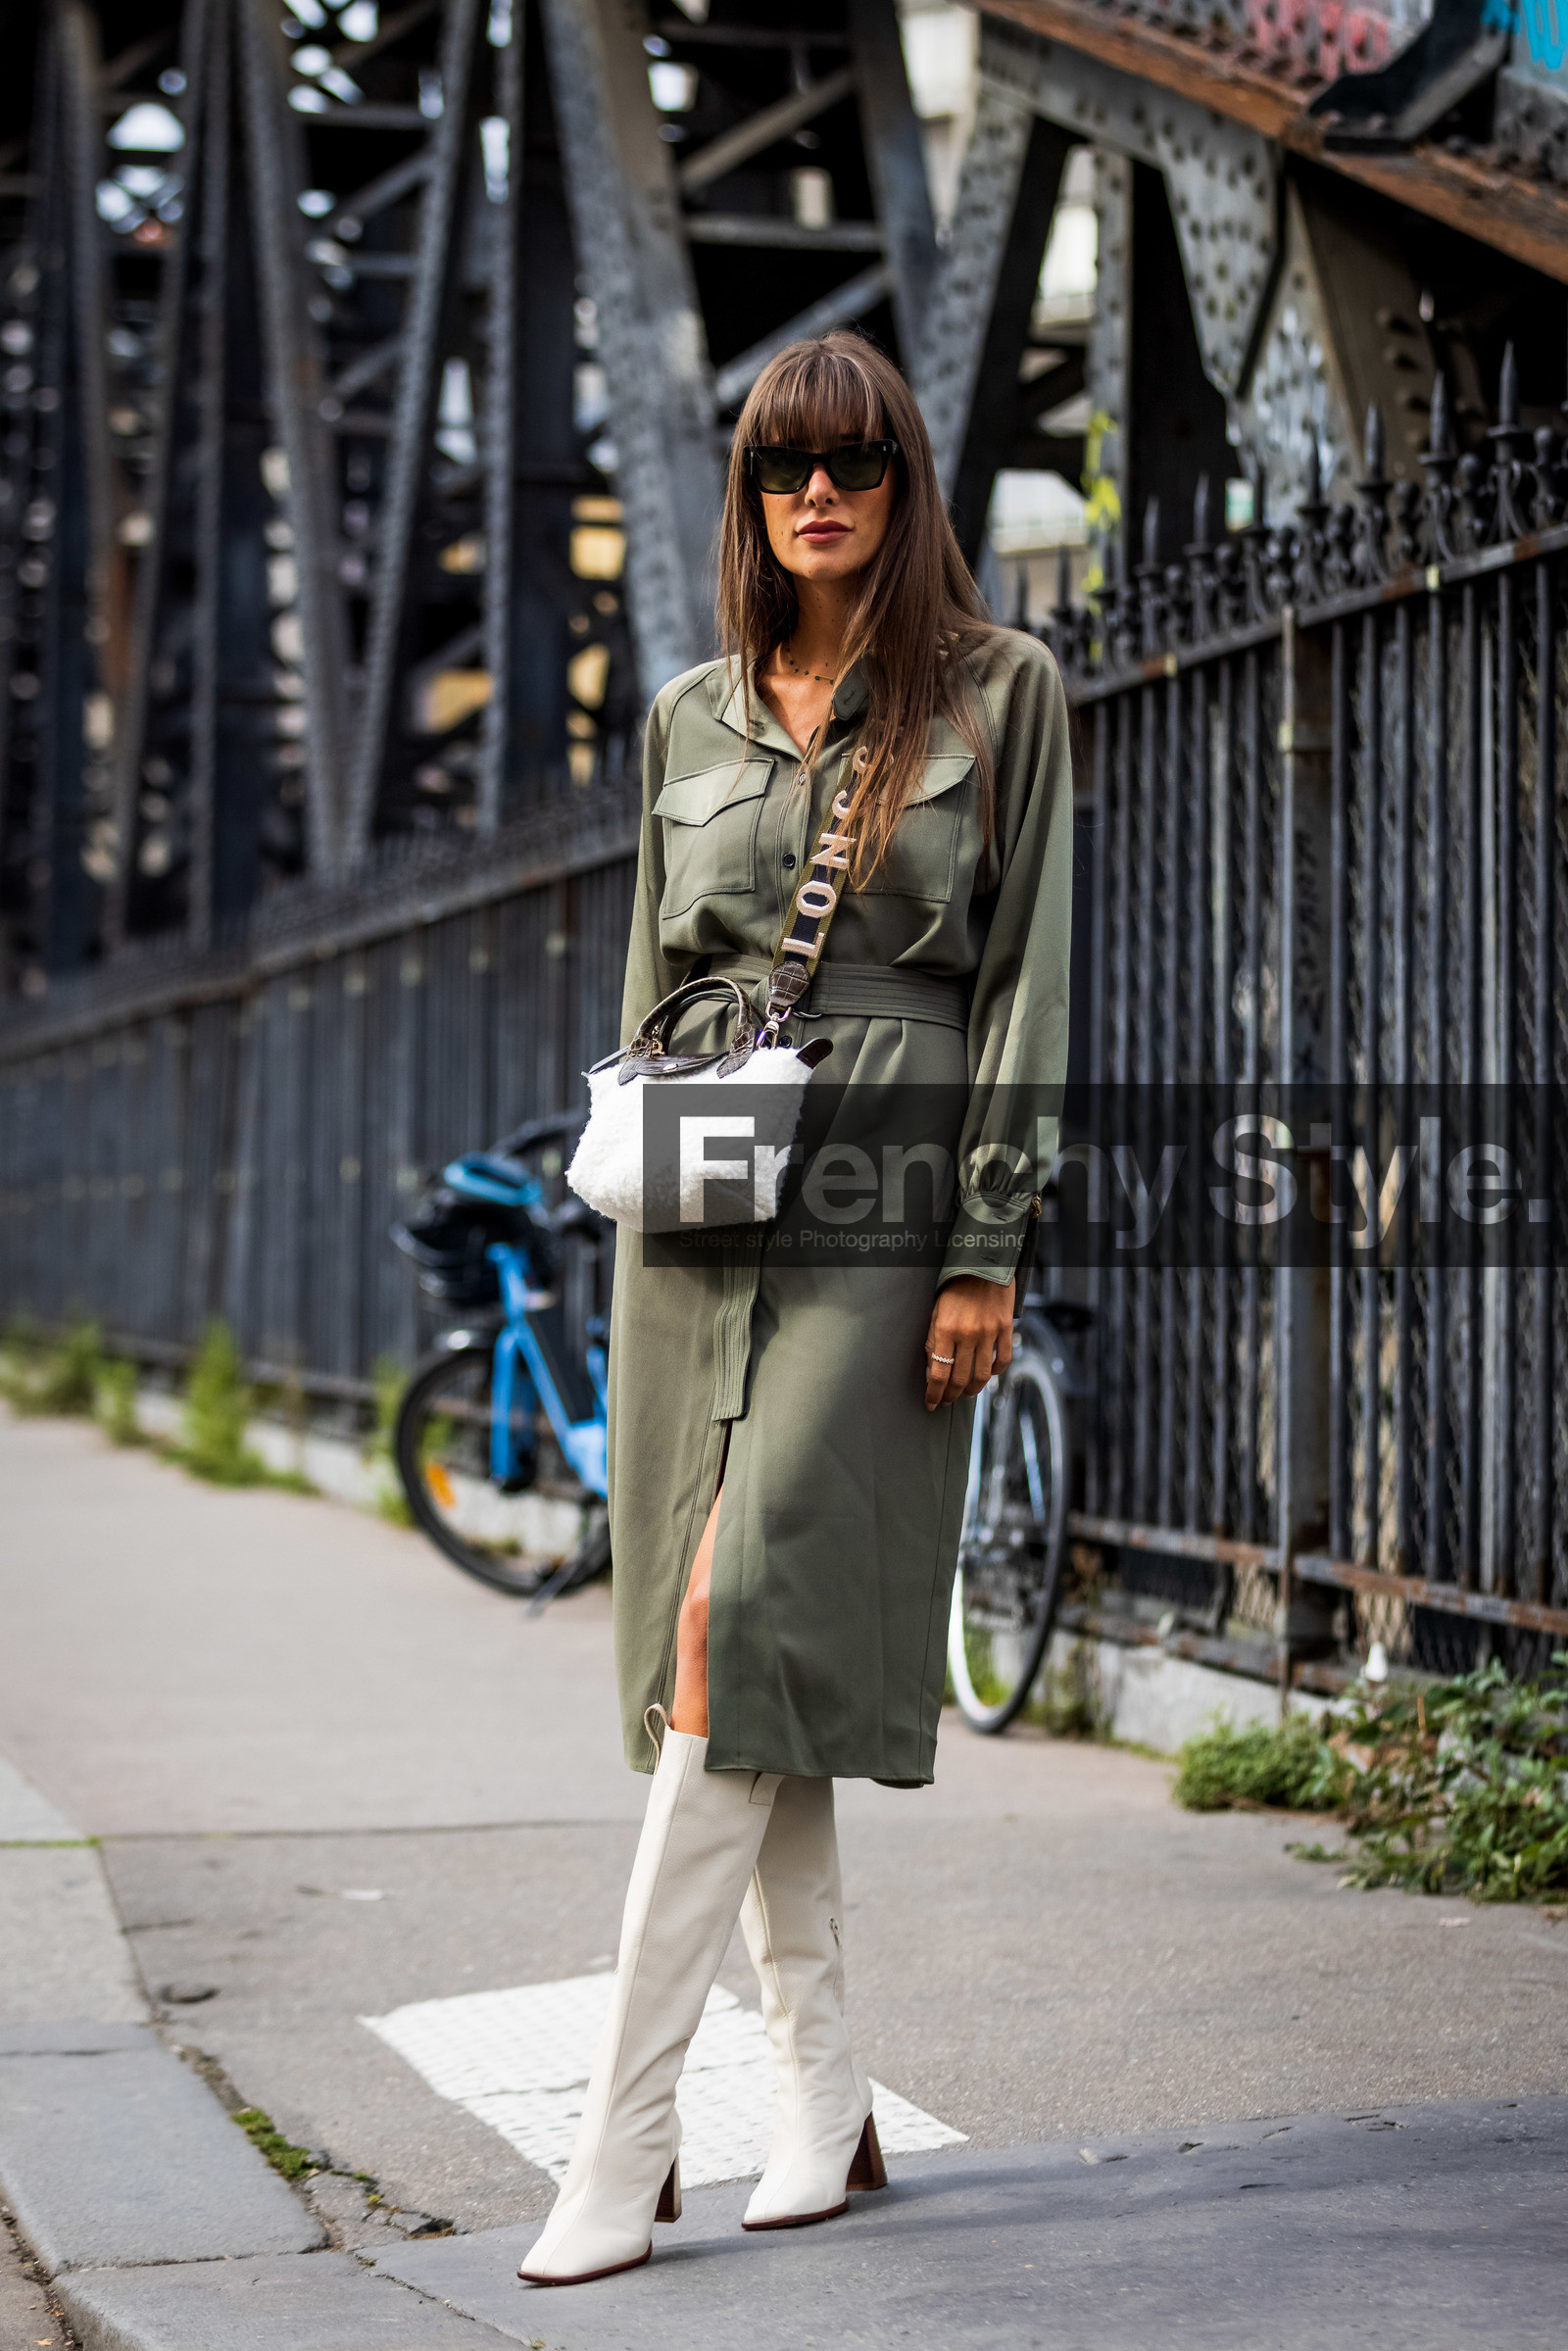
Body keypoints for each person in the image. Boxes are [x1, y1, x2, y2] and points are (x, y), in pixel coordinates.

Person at [519, 330, 1073, 2287]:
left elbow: (1021, 983)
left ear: (900, 481)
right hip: (697, 1213)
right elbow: (646, 988)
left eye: (848, 460)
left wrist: (987, 1244)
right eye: (778, 465)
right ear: (748, 494)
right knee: (732, 1668)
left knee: (729, 1612)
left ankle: (618, 2141)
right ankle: (822, 2103)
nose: (813, 491)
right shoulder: (686, 715)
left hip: (885, 1193)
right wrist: (620, 1198)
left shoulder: (1000, 693)